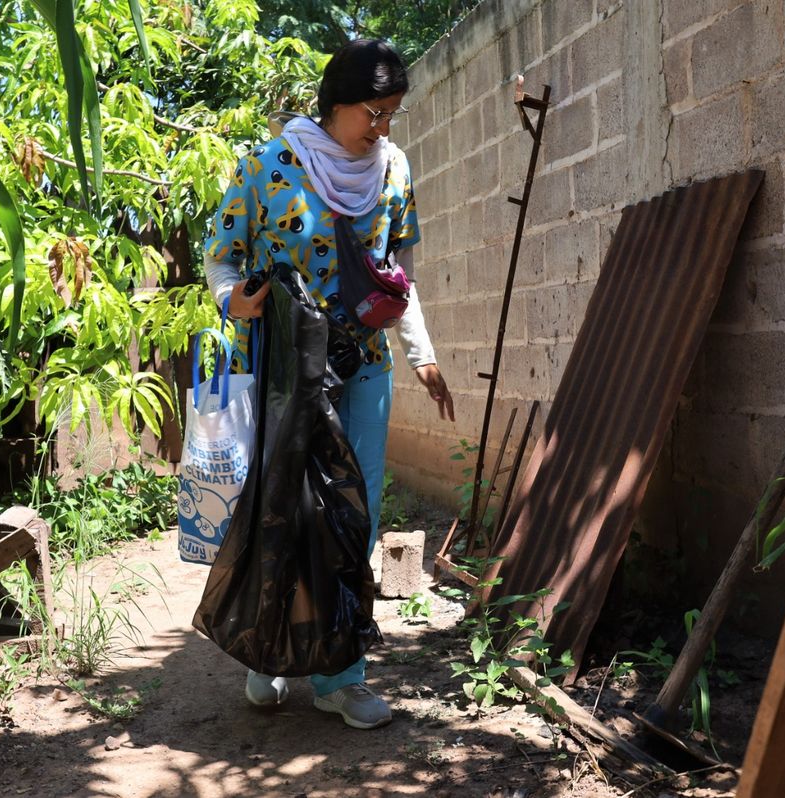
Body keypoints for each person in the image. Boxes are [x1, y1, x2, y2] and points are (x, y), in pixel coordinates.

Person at [202, 38, 455, 730]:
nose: (383, 128)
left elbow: (399, 279)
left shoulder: (394, 170)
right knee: (284, 506)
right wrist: (237, 301)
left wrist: (422, 353)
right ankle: (269, 652)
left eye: (392, 114)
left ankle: (342, 675)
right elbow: (220, 260)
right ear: (336, 104)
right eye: (374, 113)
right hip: (288, 370)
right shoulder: (267, 166)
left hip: (365, 367)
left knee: (355, 515)